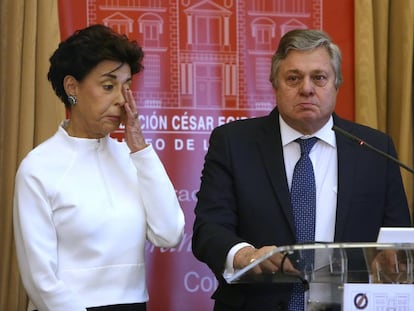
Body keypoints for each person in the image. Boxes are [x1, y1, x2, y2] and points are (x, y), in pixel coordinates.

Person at [192, 29, 411, 311]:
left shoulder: (374, 148)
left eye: (319, 77)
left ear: (336, 84)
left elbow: (398, 236)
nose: (306, 88)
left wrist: (394, 259)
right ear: (275, 84)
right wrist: (245, 255)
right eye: (293, 78)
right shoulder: (234, 143)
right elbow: (209, 229)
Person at [13, 24, 185, 311]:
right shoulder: (38, 168)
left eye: (126, 86)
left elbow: (169, 233)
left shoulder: (132, 159)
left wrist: (141, 149)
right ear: (72, 88)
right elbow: (40, 280)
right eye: (108, 86)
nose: (121, 99)